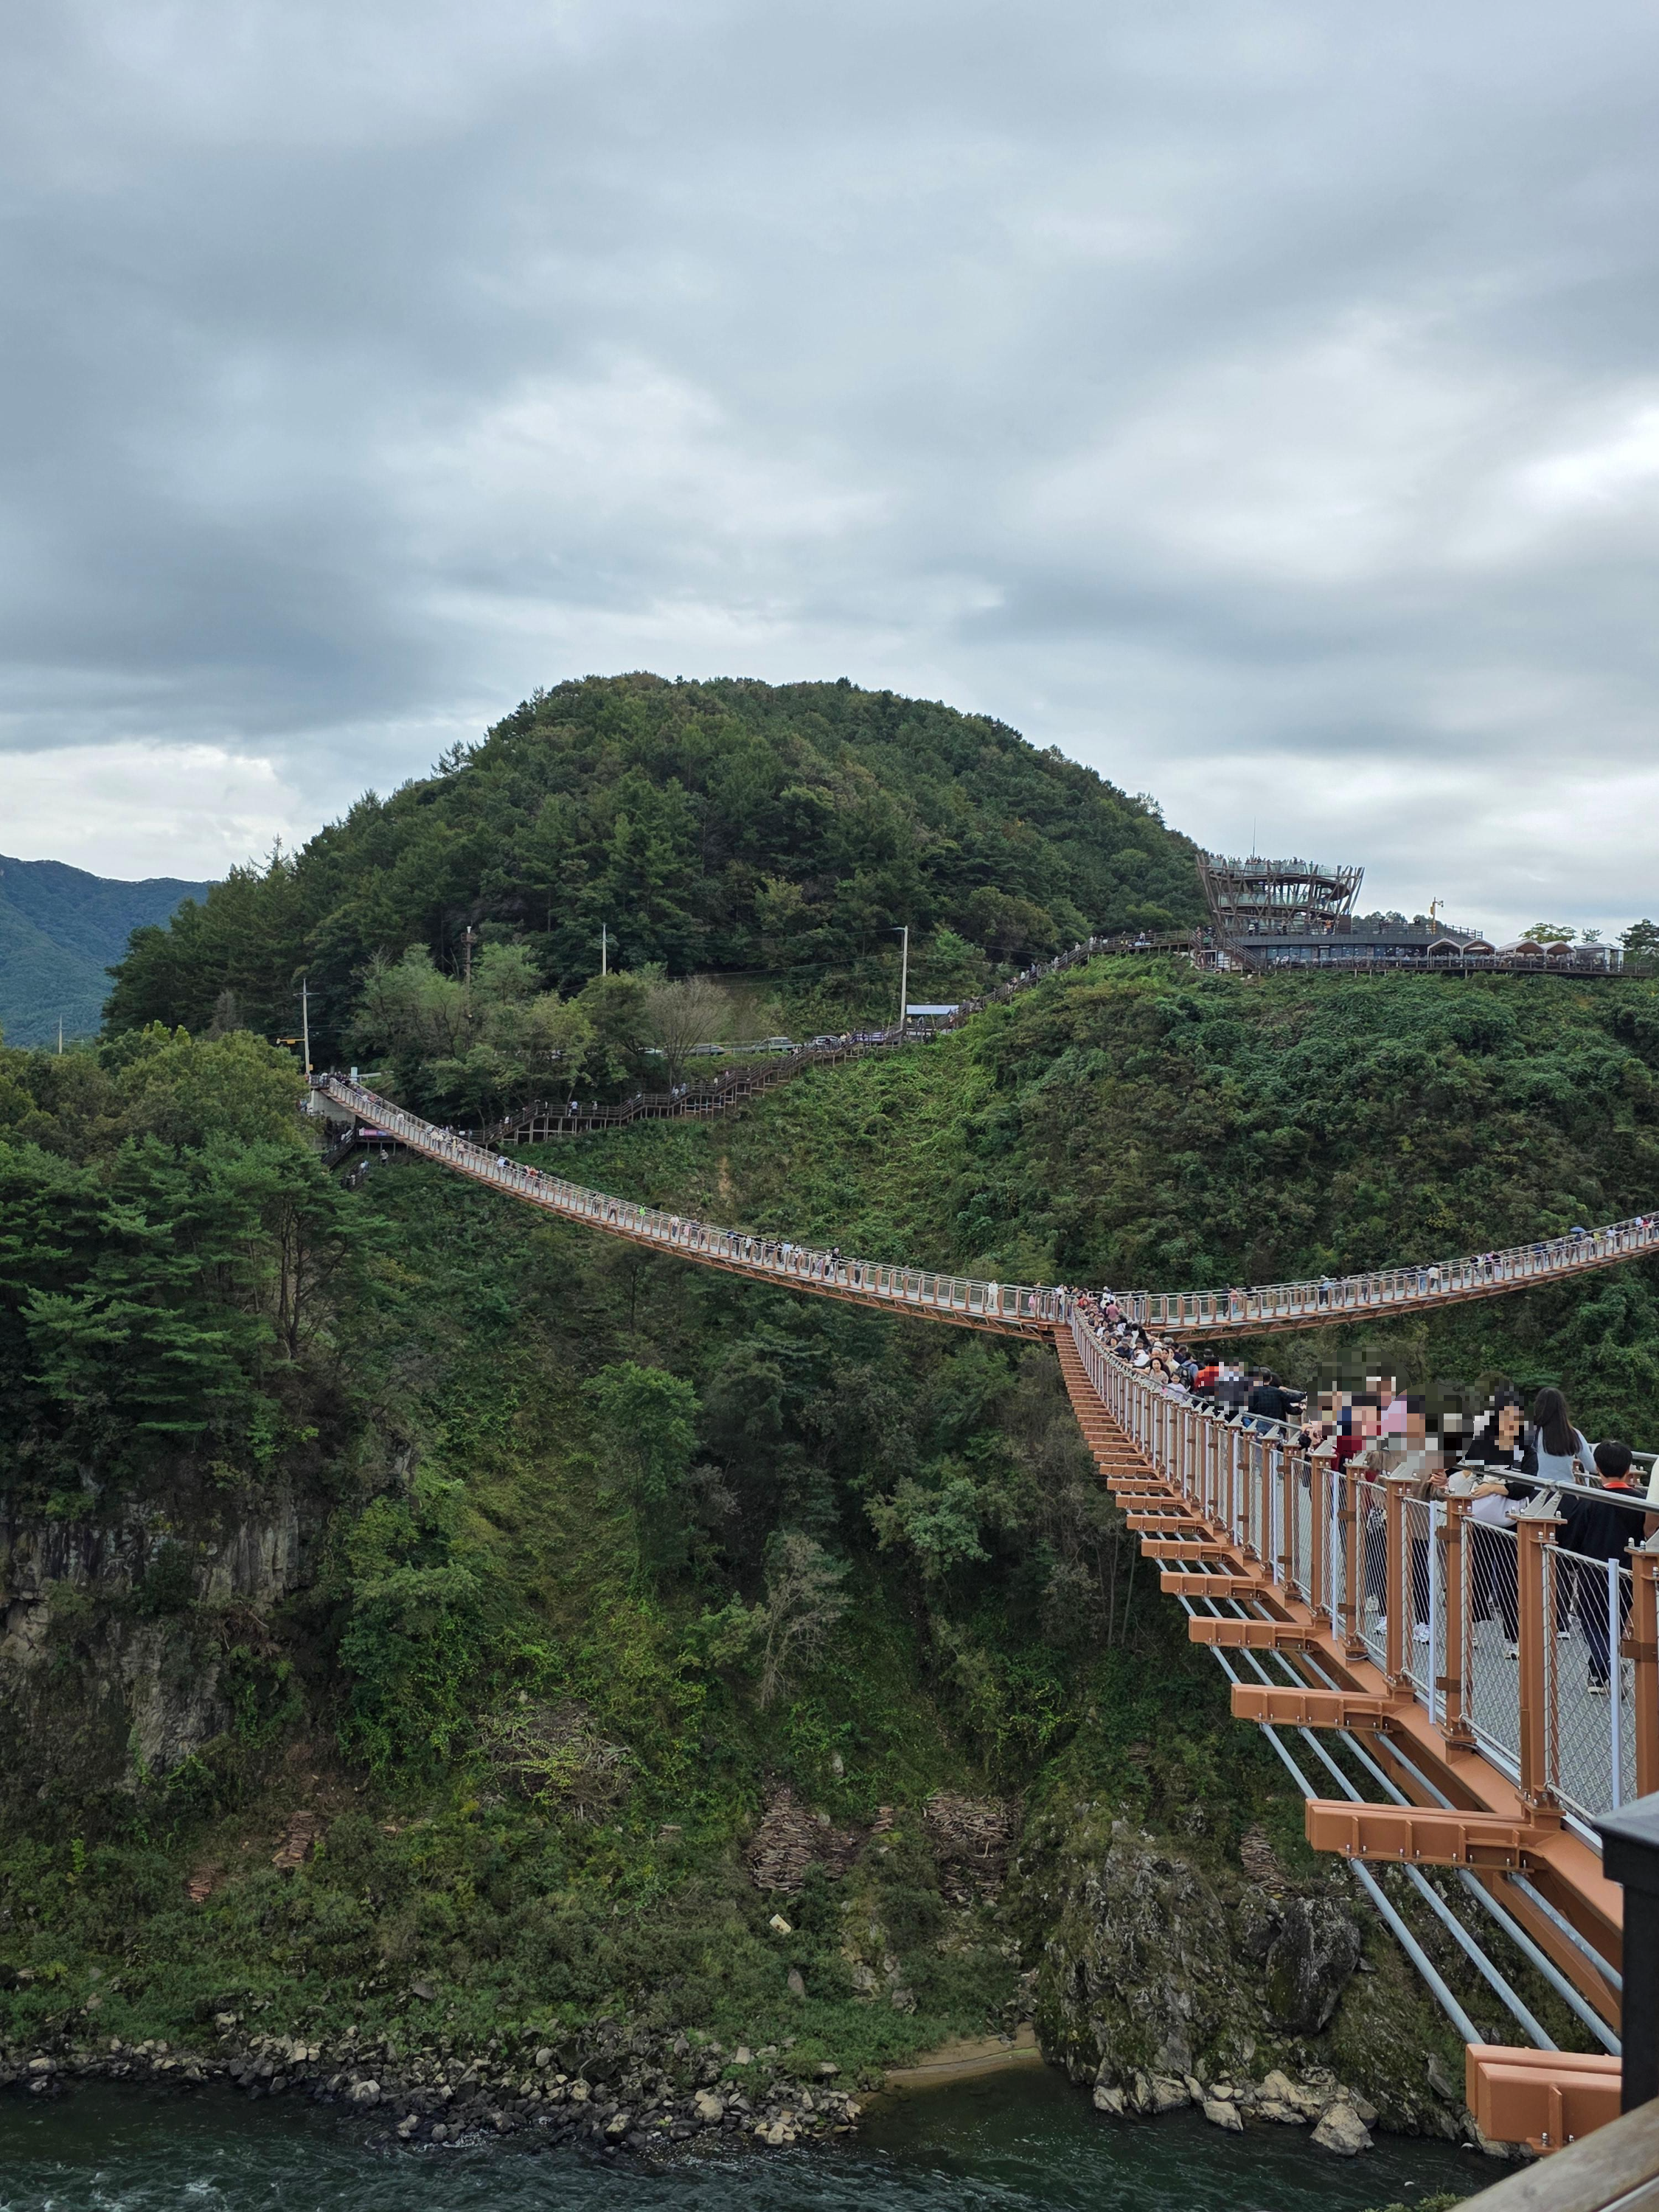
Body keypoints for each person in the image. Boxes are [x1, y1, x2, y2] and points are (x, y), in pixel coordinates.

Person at [1559, 1440, 1645, 1692]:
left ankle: (1608, 1665)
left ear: (1596, 1467)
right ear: (1630, 1468)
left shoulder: (1589, 1501)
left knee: (1591, 1621)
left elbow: (1574, 1537)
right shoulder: (1640, 1502)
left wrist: (1570, 1561)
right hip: (1628, 1573)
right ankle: (1598, 1675)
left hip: (1593, 1571)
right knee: (1615, 1622)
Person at [1528, 1387, 1598, 1490]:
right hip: (1565, 1492)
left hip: (1536, 1493)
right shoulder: (1574, 1434)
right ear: (1562, 1408)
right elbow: (1592, 1467)